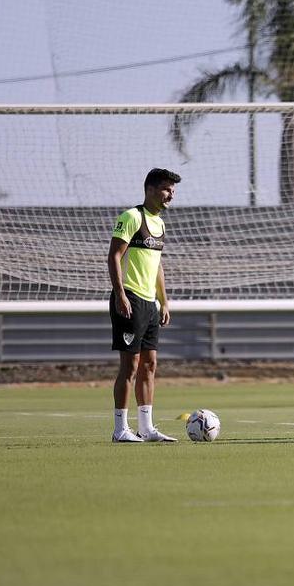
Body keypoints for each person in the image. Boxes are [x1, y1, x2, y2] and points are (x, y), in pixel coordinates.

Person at [107, 167, 181, 443]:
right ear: (149, 189)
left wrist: (164, 302)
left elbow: (158, 266)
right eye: (165, 189)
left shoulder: (160, 224)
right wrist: (120, 294)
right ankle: (119, 430)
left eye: (172, 191)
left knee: (150, 364)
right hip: (130, 298)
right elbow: (114, 256)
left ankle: (147, 428)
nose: (170, 195)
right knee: (130, 365)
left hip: (150, 303)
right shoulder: (131, 217)